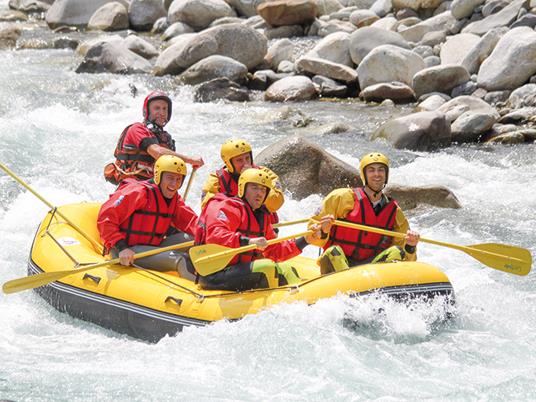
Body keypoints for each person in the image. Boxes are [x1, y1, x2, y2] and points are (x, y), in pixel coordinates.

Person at [195, 168, 326, 291]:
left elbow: (275, 251)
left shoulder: (260, 217)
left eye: (263, 190)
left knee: (287, 268)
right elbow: (216, 236)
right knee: (266, 267)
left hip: (239, 271)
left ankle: (299, 302)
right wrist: (249, 242)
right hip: (214, 274)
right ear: (242, 188)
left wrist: (306, 240)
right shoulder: (227, 207)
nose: (259, 193)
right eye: (254, 188)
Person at [309, 152, 420, 274]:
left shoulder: (395, 211)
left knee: (397, 251)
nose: (377, 174)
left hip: (371, 268)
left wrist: (411, 246)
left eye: (381, 170)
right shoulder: (340, 197)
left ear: (386, 174)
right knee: (333, 251)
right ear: (364, 174)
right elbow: (311, 235)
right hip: (339, 263)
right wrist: (324, 231)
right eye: (371, 170)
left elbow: (408, 260)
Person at [98, 155, 198, 276]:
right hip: (126, 250)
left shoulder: (175, 199)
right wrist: (121, 247)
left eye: (178, 179)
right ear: (158, 176)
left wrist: (212, 238)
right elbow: (105, 218)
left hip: (152, 247)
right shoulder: (138, 192)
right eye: (170, 178)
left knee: (194, 240)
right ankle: (201, 290)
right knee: (180, 259)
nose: (174, 184)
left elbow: (192, 223)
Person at [104, 91, 204, 185]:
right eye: (157, 108)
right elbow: (159, 153)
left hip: (154, 188)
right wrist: (190, 160)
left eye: (165, 109)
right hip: (132, 187)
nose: (162, 112)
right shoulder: (136, 129)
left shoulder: (166, 139)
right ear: (146, 111)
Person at [200, 139, 283, 223]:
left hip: (264, 230)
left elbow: (277, 202)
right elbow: (207, 208)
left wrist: (254, 180)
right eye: (239, 160)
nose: (245, 163)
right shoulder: (216, 178)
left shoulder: (266, 174)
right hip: (232, 229)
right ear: (228, 163)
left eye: (247, 158)